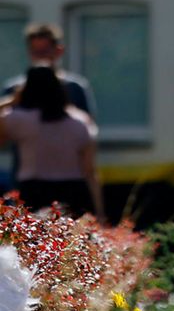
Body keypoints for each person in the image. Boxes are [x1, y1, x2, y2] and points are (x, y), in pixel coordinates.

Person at [0, 67, 102, 219]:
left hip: (33, 191)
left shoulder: (19, 119)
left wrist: (12, 100)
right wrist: (99, 212)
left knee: (36, 238)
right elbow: (89, 170)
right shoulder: (80, 121)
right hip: (73, 191)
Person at [2, 23, 95, 113]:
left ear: (59, 51)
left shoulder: (75, 87)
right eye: (35, 52)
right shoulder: (13, 88)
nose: (40, 58)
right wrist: (12, 101)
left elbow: (88, 124)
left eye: (44, 52)